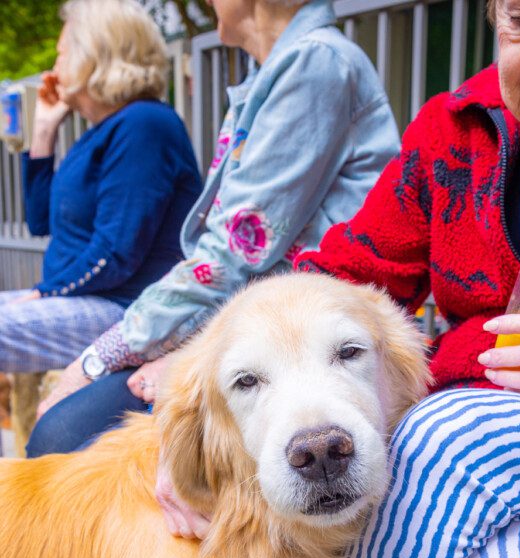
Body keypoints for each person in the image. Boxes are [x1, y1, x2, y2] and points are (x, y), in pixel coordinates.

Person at [135, 0, 520, 558]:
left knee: (447, 431)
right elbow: (346, 273)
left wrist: (458, 356)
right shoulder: (456, 131)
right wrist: (197, 380)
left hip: (476, 438)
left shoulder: (318, 65)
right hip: (506, 439)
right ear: (494, 14)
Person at [27, 0, 400, 455]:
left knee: (64, 435)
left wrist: (97, 358)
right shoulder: (280, 69)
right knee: (63, 434)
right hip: (261, 325)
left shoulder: (315, 61)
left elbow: (235, 249)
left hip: (304, 336)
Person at [0, 0, 202, 374]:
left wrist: (46, 292)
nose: (55, 66)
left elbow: (116, 253)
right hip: (87, 298)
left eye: (63, 54)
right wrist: (43, 130)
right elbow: (41, 221)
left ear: (93, 55)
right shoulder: (101, 132)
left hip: (125, 308)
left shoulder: (145, 124)